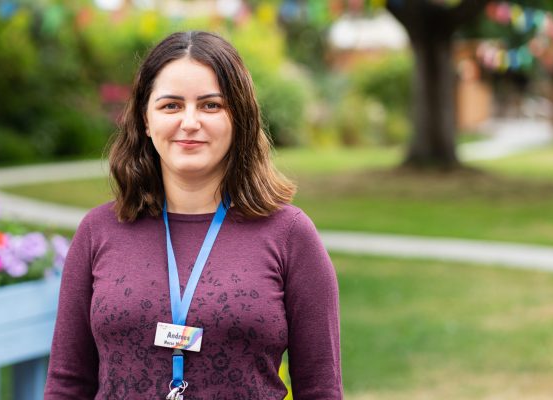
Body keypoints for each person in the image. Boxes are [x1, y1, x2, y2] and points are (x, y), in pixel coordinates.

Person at [44, 31, 342, 399]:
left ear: (239, 117)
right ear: (146, 119)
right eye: (171, 105)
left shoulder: (290, 235)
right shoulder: (98, 231)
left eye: (210, 105)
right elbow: (67, 385)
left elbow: (321, 389)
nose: (189, 122)